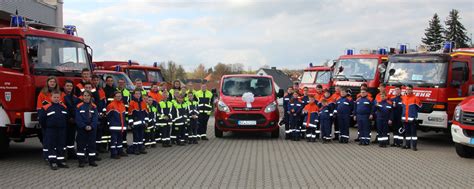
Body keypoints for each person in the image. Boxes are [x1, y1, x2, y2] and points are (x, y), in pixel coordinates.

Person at [38, 90, 69, 170]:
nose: (56, 99)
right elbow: (42, 119)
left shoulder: (63, 107)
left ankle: (60, 161)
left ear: (60, 98)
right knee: (51, 145)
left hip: (61, 129)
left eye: (57, 97)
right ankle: (53, 162)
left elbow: (66, 118)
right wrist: (47, 127)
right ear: (50, 98)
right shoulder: (46, 107)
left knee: (61, 145)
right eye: (54, 97)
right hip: (51, 130)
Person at [37, 76, 63, 161]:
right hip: (47, 121)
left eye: (54, 82)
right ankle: (46, 156)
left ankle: (55, 156)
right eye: (51, 81)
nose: (52, 83)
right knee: (46, 139)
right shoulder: (42, 94)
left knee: (57, 140)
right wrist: (43, 122)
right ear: (47, 83)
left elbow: (63, 106)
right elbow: (40, 108)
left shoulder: (60, 93)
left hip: (57, 122)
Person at [75, 90, 99, 167]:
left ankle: (92, 160)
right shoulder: (79, 106)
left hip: (92, 129)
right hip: (82, 129)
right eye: (85, 95)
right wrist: (84, 126)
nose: (86, 97)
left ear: (90, 97)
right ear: (82, 97)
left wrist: (91, 126)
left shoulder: (94, 106)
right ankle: (81, 161)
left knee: (92, 145)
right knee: (81, 145)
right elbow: (78, 119)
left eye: (88, 95)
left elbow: (95, 118)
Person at [106, 91, 127, 159]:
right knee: (113, 141)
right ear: (114, 97)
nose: (118, 97)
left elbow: (123, 116)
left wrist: (124, 125)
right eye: (117, 96)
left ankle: (120, 151)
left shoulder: (122, 104)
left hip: (121, 126)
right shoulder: (111, 105)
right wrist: (110, 124)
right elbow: (108, 116)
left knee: (120, 140)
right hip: (114, 126)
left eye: (120, 96)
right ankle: (113, 153)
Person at [128, 89, 149, 155]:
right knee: (136, 137)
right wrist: (131, 123)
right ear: (134, 95)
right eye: (136, 93)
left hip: (142, 123)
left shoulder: (143, 103)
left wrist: (146, 121)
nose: (137, 95)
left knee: (141, 136)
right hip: (135, 124)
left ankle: (141, 148)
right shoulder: (132, 103)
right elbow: (130, 114)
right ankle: (135, 149)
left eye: (139, 94)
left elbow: (146, 113)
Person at [63, 80, 80, 160]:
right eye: (67, 86)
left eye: (70, 86)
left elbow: (76, 109)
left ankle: (71, 153)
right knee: (64, 138)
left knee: (71, 138)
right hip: (64, 121)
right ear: (64, 87)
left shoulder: (75, 97)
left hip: (73, 121)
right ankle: (63, 154)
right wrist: (68, 118)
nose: (69, 87)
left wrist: (74, 118)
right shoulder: (61, 96)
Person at [91, 75, 108, 153]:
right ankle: (94, 149)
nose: (95, 81)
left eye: (97, 80)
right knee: (93, 133)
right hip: (93, 113)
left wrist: (104, 111)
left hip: (100, 114)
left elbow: (104, 102)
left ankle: (98, 148)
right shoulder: (90, 89)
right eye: (94, 80)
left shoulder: (101, 90)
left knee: (99, 132)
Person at [401, 85, 421, 151]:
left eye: (409, 89)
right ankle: (407, 145)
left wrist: (414, 115)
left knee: (413, 134)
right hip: (405, 119)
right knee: (407, 133)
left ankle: (414, 146)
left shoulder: (415, 98)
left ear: (412, 90)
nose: (408, 90)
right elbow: (402, 108)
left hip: (412, 119)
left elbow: (420, 108)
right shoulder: (403, 97)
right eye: (407, 89)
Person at [116, 78, 131, 150]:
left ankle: (124, 143)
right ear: (117, 83)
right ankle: (117, 143)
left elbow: (129, 104)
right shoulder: (115, 91)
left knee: (124, 130)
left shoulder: (127, 92)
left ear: (124, 84)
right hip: (117, 114)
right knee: (117, 130)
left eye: (122, 83)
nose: (121, 84)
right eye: (120, 83)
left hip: (125, 114)